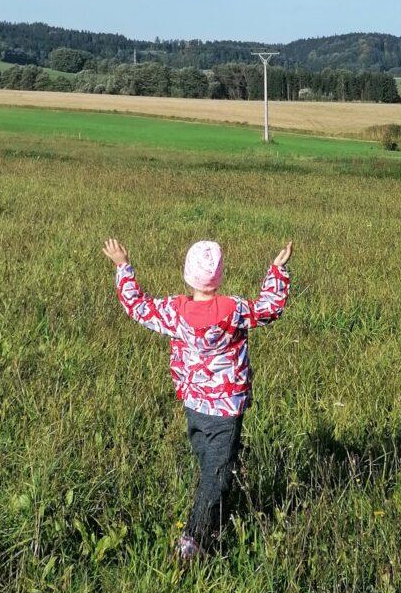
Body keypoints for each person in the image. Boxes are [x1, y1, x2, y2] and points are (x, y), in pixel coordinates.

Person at [104, 234, 293, 561]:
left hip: (193, 403)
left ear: (187, 275)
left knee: (212, 466)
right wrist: (276, 270)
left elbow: (137, 306)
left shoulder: (174, 311)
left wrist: (123, 266)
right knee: (217, 474)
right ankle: (195, 542)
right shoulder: (233, 310)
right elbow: (268, 309)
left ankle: (214, 518)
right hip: (225, 409)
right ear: (219, 276)